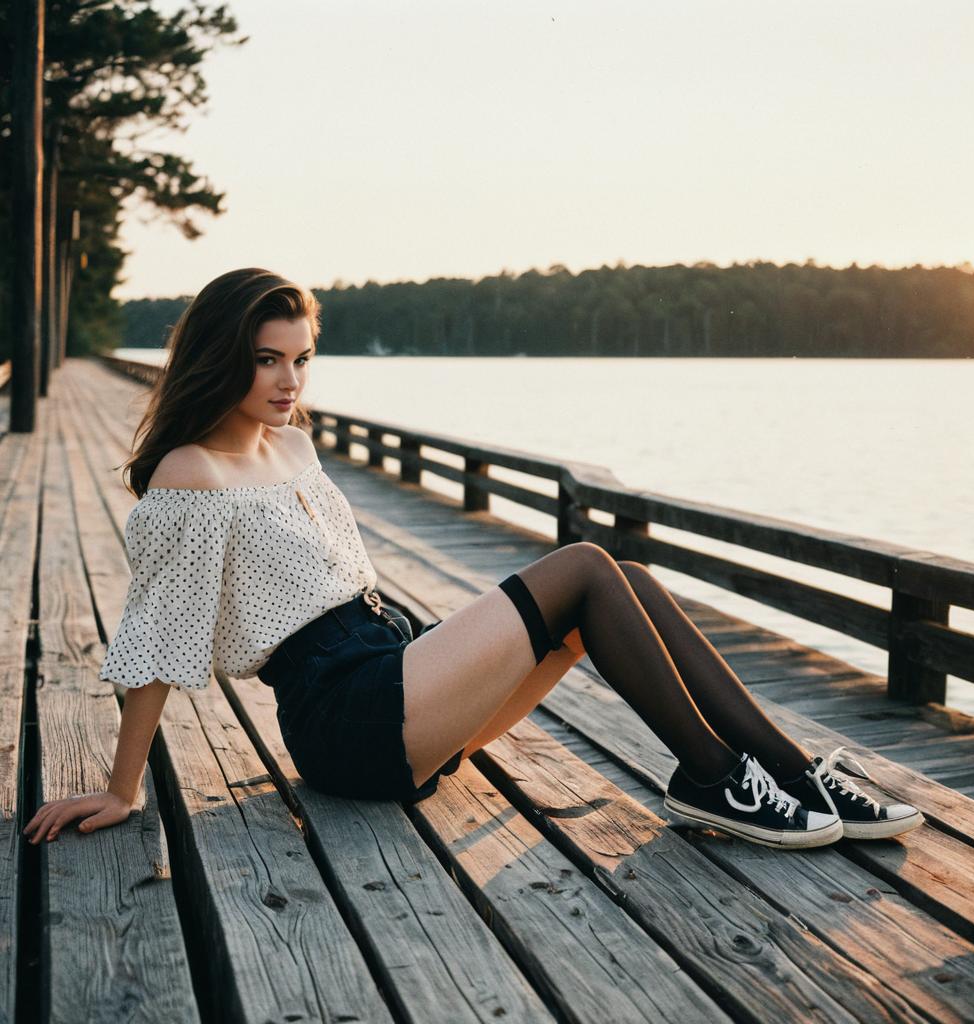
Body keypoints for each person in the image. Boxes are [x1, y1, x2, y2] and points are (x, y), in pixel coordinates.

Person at [22, 268, 924, 851]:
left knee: (626, 586)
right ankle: (713, 780)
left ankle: (795, 772)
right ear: (223, 360)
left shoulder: (292, 448)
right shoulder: (192, 471)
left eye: (301, 359)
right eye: (265, 361)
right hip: (349, 719)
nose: (288, 382)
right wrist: (121, 789)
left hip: (399, 674)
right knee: (582, 568)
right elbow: (158, 635)